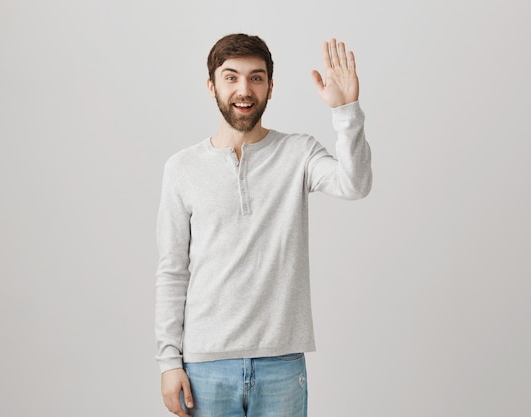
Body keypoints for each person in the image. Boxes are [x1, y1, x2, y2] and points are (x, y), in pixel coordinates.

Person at [155, 33, 372, 417]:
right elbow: (173, 270)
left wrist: (346, 111)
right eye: (231, 76)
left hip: (281, 362)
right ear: (212, 86)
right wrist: (170, 362)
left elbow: (354, 184)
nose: (244, 89)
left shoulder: (298, 152)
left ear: (271, 87)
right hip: (206, 366)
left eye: (256, 78)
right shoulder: (181, 169)